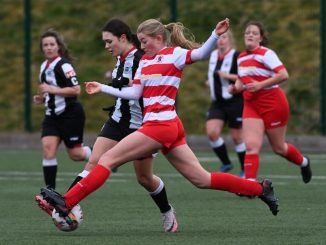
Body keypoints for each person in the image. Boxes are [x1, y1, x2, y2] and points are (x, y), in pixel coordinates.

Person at [38, 18, 280, 226]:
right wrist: (103, 88)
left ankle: (67, 202)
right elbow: (134, 94)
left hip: (161, 125)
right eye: (140, 41)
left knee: (107, 159)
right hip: (167, 126)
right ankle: (261, 189)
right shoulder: (145, 62)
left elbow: (201, 53)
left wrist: (214, 35)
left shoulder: (174, 55)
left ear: (158, 37)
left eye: (144, 41)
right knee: (201, 179)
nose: (141, 46)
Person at [35, 19, 178, 233]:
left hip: (140, 127)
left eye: (109, 41)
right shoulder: (121, 59)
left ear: (123, 38)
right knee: (93, 162)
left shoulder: (142, 57)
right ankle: (65, 203)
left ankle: (167, 212)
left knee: (145, 179)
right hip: (117, 120)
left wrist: (117, 83)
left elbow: (148, 83)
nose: (106, 46)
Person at [229, 21, 312, 183]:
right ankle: (250, 185)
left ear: (260, 38)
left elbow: (283, 74)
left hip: (273, 103)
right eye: (247, 33)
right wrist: (235, 88)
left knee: (279, 148)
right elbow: (242, 79)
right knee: (252, 146)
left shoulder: (266, 54)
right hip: (251, 105)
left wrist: (260, 85)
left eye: (254, 33)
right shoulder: (241, 57)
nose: (250, 35)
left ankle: (304, 162)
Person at [33, 29, 92, 190]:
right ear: (42, 48)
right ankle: (50, 191)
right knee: (48, 150)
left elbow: (76, 90)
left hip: (70, 114)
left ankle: (102, 156)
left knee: (76, 155)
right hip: (52, 116)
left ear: (58, 46)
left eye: (52, 44)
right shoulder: (44, 66)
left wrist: (51, 90)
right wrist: (42, 98)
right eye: (45, 45)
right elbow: (48, 91)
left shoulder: (64, 65)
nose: (49, 47)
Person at [206, 30, 245, 176]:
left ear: (230, 39)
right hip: (217, 102)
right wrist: (209, 82)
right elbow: (213, 74)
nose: (221, 40)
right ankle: (226, 162)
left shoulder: (237, 56)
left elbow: (244, 76)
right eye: (219, 38)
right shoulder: (213, 55)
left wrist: (227, 76)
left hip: (234, 101)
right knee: (212, 133)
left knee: (237, 137)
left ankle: (244, 168)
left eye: (224, 37)